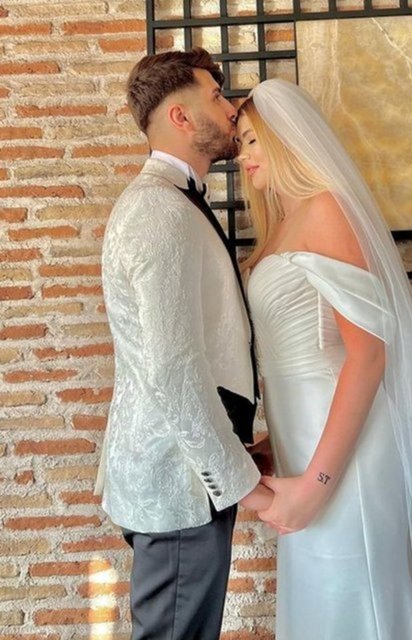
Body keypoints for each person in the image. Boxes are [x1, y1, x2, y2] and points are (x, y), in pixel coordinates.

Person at [236, 78, 412, 640]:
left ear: (285, 137)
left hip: (348, 458)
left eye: (252, 140)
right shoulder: (285, 224)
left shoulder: (326, 209)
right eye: (240, 144)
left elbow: (367, 357)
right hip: (303, 443)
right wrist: (271, 443)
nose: (243, 157)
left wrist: (315, 484)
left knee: (356, 603)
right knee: (326, 604)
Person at [94, 48, 273, 640]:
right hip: (179, 482)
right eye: (216, 97)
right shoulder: (159, 210)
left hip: (190, 472)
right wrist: (244, 484)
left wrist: (240, 450)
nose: (231, 108)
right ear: (180, 115)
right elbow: (173, 369)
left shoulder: (175, 200)